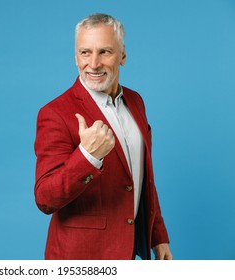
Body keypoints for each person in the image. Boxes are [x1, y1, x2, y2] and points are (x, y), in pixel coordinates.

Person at [34, 13, 172, 260]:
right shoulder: (54, 113)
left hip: (127, 252)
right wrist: (87, 156)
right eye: (85, 52)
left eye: (105, 52)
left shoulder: (136, 101)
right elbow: (45, 198)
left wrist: (157, 237)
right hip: (79, 258)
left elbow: (143, 177)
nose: (93, 64)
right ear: (76, 56)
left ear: (123, 56)